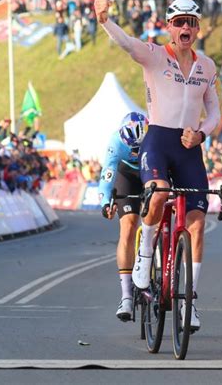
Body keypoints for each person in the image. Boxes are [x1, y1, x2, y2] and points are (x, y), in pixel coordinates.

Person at [94, 0, 221, 332]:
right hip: (159, 140)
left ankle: (190, 303)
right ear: (169, 26)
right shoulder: (152, 55)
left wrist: (202, 134)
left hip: (189, 147)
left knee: (196, 223)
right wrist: (106, 20)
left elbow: (216, 111)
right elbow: (125, 42)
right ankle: (146, 252)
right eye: (178, 22)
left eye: (190, 23)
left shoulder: (207, 66)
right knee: (160, 193)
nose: (184, 28)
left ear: (197, 28)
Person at [98, 112, 148, 322]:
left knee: (155, 223)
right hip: (126, 175)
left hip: (149, 172)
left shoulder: (153, 136)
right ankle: (126, 295)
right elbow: (108, 172)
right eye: (132, 148)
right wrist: (105, 201)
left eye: (138, 148)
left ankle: (152, 269)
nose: (135, 152)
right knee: (127, 228)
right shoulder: (115, 142)